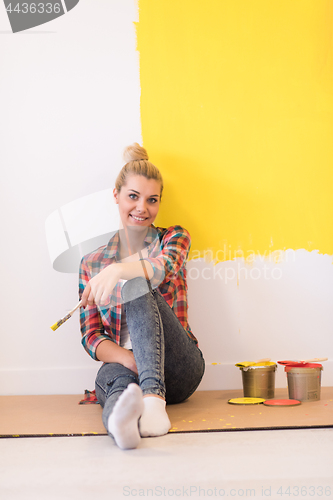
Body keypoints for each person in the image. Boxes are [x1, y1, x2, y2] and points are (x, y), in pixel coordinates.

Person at [79, 143, 205, 449]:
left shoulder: (173, 238)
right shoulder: (91, 264)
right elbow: (91, 335)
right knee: (112, 383)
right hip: (126, 367)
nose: (142, 208)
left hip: (178, 367)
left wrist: (120, 269)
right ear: (116, 196)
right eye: (133, 197)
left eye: (152, 200)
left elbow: (166, 266)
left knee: (136, 282)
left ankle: (153, 402)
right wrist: (129, 360)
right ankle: (120, 427)